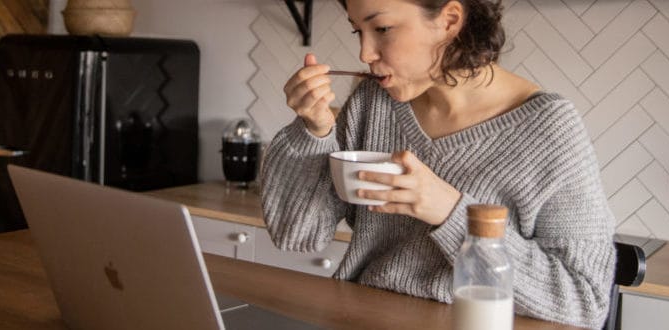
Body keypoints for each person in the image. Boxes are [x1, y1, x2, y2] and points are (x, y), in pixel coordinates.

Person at [260, 0, 616, 328]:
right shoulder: (373, 103)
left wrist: (451, 212)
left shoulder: (548, 129)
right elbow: (296, 235)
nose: (365, 52)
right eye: (358, 30)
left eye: (381, 29)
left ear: (449, 21)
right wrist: (314, 129)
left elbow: (585, 302)